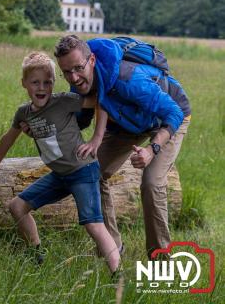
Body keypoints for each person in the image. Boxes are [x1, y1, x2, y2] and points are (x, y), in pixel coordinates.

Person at [0, 51, 120, 273]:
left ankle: (117, 276)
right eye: (35, 82)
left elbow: (101, 103)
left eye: (47, 82)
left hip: (83, 170)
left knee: (93, 223)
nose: (41, 88)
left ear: (54, 83)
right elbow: (7, 139)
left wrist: (96, 139)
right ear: (24, 83)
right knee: (17, 206)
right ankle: (37, 256)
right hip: (59, 176)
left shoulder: (64, 101)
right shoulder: (23, 114)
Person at [54, 35, 191, 259]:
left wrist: (151, 149)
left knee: (151, 182)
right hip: (128, 123)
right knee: (91, 172)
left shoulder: (128, 79)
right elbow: (80, 120)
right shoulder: (78, 80)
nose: (74, 78)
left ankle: (160, 263)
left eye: (78, 68)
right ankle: (112, 250)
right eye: (67, 72)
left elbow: (173, 113)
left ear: (92, 60)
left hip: (168, 118)